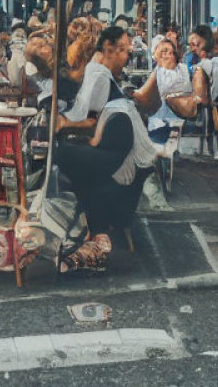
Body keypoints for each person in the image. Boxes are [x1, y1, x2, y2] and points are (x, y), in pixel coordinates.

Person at [55, 26, 158, 271]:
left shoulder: (98, 72)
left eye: (126, 49)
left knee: (65, 155)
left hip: (122, 152)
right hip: (119, 146)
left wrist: (63, 122)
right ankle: (91, 228)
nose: (126, 55)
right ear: (107, 48)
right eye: (122, 49)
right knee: (73, 159)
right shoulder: (98, 70)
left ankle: (92, 229)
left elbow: (85, 113)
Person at [132, 38, 196, 144]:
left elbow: (159, 92)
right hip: (168, 116)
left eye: (170, 52)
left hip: (170, 119)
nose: (167, 55)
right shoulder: (165, 69)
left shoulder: (172, 70)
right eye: (163, 52)